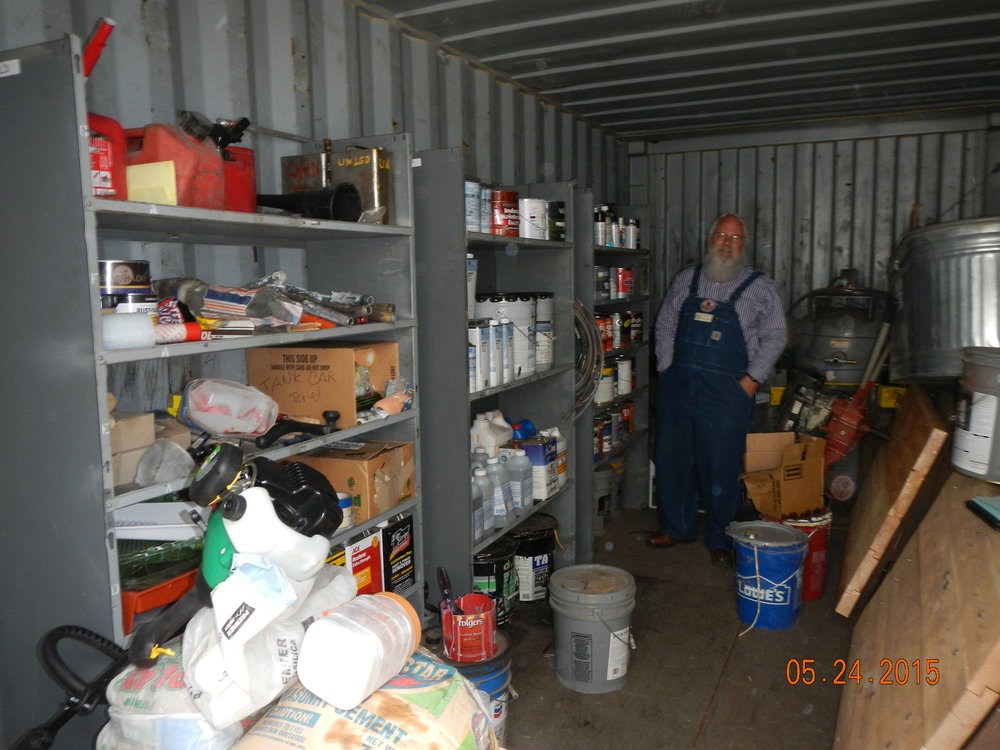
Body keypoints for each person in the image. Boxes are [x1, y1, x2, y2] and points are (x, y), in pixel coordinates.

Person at [647, 213, 787, 567]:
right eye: (721, 235)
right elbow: (664, 323)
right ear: (710, 238)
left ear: (743, 245)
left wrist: (750, 381)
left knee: (720, 466)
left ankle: (720, 536)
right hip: (679, 385)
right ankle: (676, 528)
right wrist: (666, 367)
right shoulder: (686, 279)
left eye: (735, 238)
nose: (727, 243)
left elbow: (775, 337)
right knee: (674, 460)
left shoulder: (759, 287)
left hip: (726, 392)